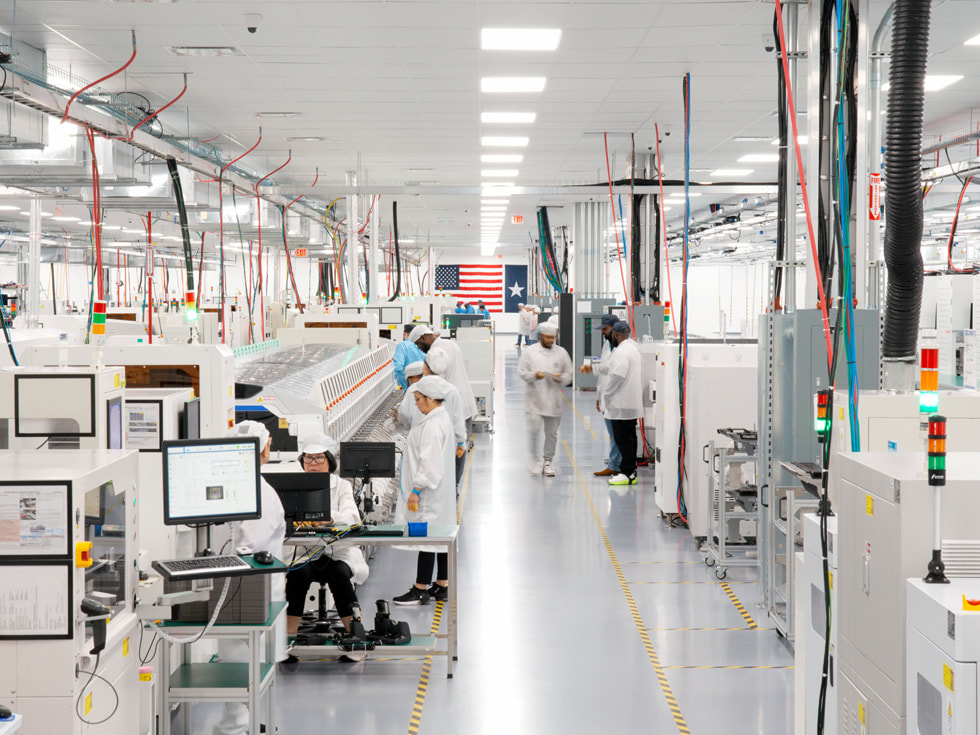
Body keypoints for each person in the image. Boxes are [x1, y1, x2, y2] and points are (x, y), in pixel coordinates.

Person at [213, 421, 286, 735]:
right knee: (244, 671)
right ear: (265, 449)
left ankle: (239, 725)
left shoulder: (233, 488)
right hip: (251, 594)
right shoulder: (261, 492)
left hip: (243, 591)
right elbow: (250, 546)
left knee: (243, 669)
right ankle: (239, 726)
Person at [285, 434, 369, 639]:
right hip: (306, 553)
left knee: (340, 576)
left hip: (337, 553)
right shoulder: (294, 485)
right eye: (308, 458)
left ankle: (355, 638)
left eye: (319, 458)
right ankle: (288, 640)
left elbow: (352, 516)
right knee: (297, 576)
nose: (313, 463)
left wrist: (329, 519)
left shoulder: (341, 486)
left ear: (329, 460)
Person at [393, 375, 456, 605]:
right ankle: (441, 585)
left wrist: (416, 490)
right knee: (438, 536)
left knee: (428, 538)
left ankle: (420, 588)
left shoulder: (432, 425)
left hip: (428, 492)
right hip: (440, 491)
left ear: (431, 399)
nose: (417, 404)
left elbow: (428, 461)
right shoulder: (440, 419)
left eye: (419, 399)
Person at [517, 321, 573, 476]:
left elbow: (569, 373)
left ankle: (548, 462)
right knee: (534, 430)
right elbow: (522, 372)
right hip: (534, 399)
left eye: (552, 338)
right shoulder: (530, 352)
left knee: (552, 433)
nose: (550, 341)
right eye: (547, 337)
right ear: (540, 336)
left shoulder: (561, 353)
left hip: (553, 400)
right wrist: (535, 375)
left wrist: (560, 378)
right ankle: (534, 459)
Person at [410, 325, 478, 429]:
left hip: (453, 408)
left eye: (418, 344)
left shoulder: (435, 352)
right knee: (463, 442)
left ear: (423, 337)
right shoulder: (450, 343)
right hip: (465, 402)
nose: (419, 348)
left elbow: (436, 384)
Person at [579, 313, 622, 477]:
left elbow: (615, 373)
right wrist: (599, 397)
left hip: (617, 398)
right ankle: (615, 463)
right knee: (612, 434)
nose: (603, 332)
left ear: (614, 328)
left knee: (617, 435)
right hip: (606, 396)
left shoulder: (623, 349)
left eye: (606, 328)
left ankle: (615, 465)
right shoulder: (607, 345)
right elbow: (603, 372)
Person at [602, 320, 643, 486]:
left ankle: (626, 473)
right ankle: (631, 472)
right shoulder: (631, 349)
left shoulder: (621, 352)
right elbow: (610, 367)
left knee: (623, 440)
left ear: (616, 334)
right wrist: (594, 368)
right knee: (630, 439)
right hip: (630, 403)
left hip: (621, 404)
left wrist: (607, 394)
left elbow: (617, 375)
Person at [392, 323, 426, 389]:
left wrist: (391, 384)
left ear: (404, 334)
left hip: (408, 387)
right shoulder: (422, 345)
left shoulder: (402, 346)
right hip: (423, 387)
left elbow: (397, 367)